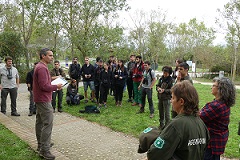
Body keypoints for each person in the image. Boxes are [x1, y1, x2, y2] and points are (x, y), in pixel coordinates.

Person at [146, 81, 210, 160]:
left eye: (172, 98)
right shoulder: (201, 123)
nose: (171, 101)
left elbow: (155, 154)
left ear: (181, 101)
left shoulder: (176, 125)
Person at [33, 48, 62, 160]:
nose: (52, 57)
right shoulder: (41, 68)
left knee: (40, 122)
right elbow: (44, 86)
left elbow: (44, 82)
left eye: (52, 55)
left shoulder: (41, 66)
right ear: (43, 56)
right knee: (47, 123)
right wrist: (57, 86)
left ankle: (41, 145)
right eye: (50, 55)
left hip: (40, 99)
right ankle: (44, 150)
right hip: (43, 100)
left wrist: (53, 80)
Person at [200, 77, 236, 160]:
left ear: (221, 89)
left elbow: (199, 117)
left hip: (212, 143)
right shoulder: (223, 103)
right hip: (218, 141)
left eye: (214, 86)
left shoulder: (217, 106)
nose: (211, 87)